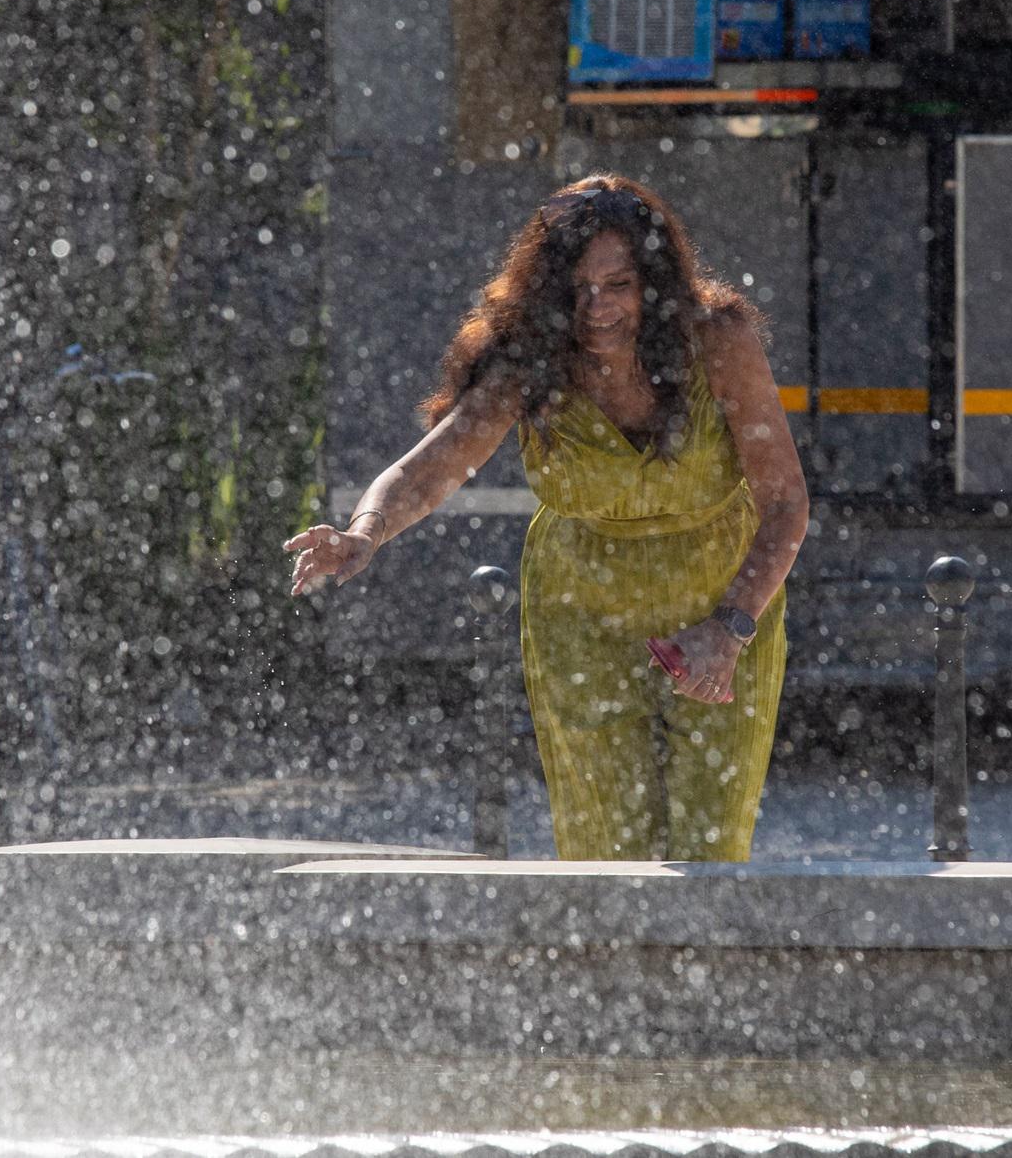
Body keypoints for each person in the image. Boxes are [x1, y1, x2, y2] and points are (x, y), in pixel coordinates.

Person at [284, 176, 808, 862]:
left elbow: (786, 503)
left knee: (710, 848)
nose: (596, 307)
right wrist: (365, 529)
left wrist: (731, 626)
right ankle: (606, 968)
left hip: (724, 606)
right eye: (577, 288)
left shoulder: (717, 339)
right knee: (604, 853)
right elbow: (433, 463)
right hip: (580, 614)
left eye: (617, 284)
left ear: (653, 283)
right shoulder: (534, 358)